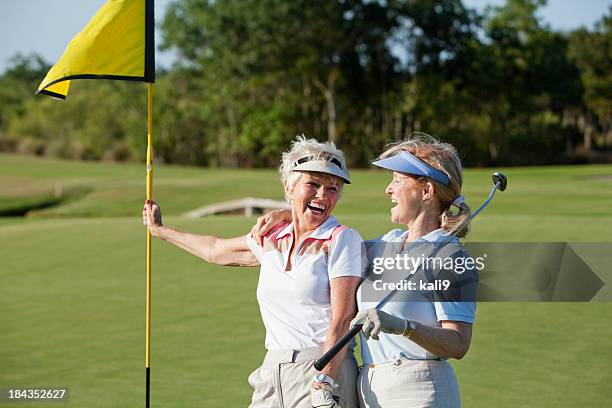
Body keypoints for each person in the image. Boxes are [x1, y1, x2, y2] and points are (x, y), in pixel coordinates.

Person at [252, 133, 477, 408]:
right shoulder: (384, 245)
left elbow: (458, 343)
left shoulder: (451, 257)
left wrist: (405, 327)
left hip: (419, 389)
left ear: (427, 191)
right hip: (369, 390)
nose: (388, 190)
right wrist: (291, 216)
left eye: (397, 180)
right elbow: (328, 239)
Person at [143, 136, 364, 408]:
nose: (322, 195)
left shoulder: (342, 239)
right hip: (272, 371)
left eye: (333, 188)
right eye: (313, 184)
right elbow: (216, 250)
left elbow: (343, 319)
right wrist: (161, 231)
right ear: (289, 187)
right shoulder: (271, 236)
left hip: (321, 368)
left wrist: (326, 379)